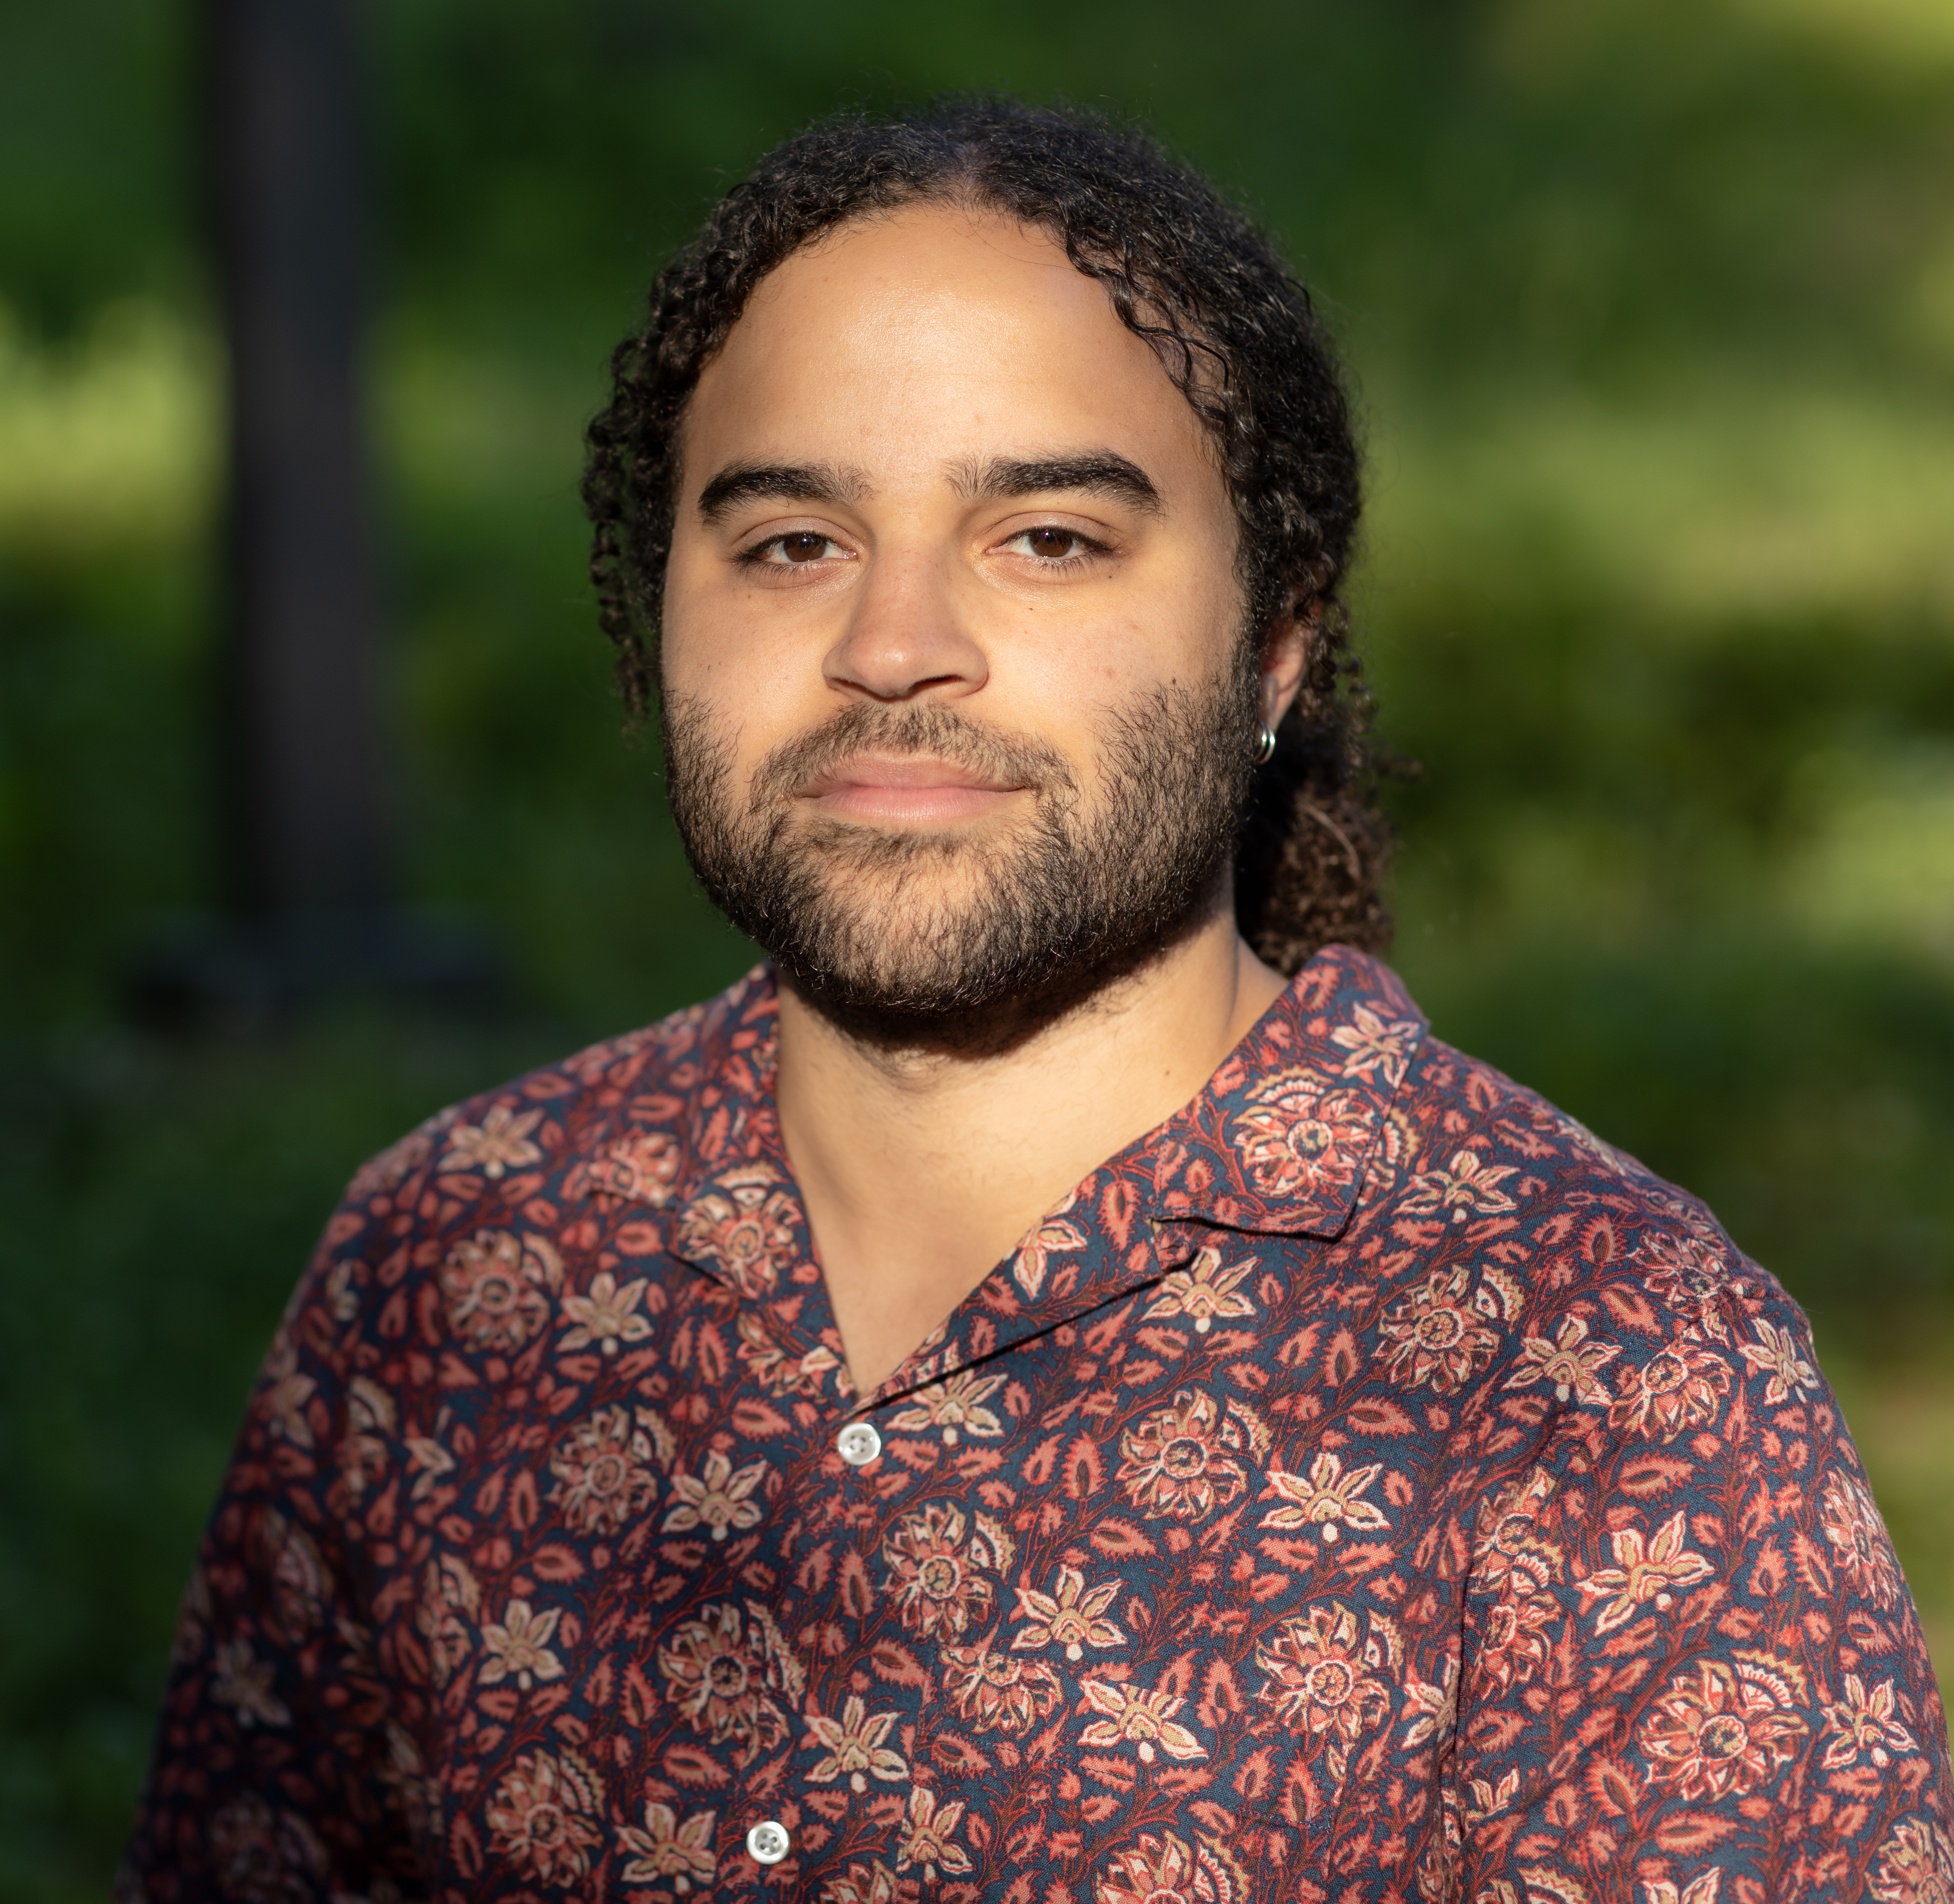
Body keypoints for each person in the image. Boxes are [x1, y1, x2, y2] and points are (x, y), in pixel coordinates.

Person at [123, 100, 1951, 1904]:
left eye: (1049, 537)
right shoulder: (458, 1265)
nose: (892, 640)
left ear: (1276, 637)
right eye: (788, 544)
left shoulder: (1601, 1369)